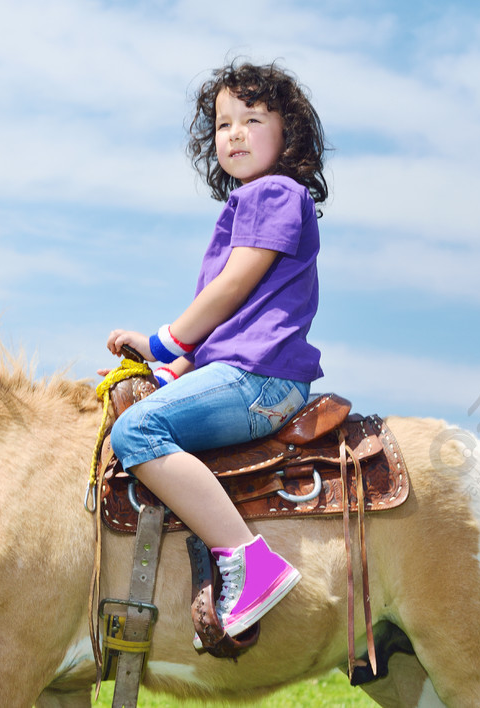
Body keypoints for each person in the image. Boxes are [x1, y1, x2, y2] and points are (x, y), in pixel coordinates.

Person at [105, 61, 329, 641]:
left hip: (260, 380)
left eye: (253, 119)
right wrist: (177, 364)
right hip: (239, 369)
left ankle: (248, 561)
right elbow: (233, 314)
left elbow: (231, 287)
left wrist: (165, 340)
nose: (234, 133)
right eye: (223, 123)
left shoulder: (275, 192)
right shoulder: (250, 204)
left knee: (136, 433)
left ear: (289, 135)